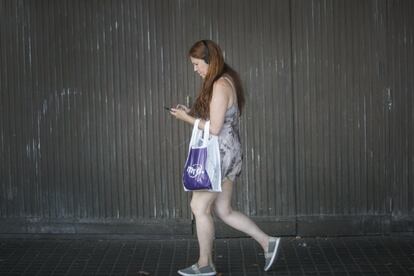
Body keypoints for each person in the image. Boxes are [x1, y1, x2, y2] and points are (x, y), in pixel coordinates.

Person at [169, 39, 280, 276]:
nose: (195, 69)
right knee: (223, 210)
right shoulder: (227, 80)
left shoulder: (220, 85)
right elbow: (217, 119)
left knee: (198, 206)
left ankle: (204, 264)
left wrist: (186, 119)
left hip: (219, 156)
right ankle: (267, 242)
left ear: (211, 61)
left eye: (197, 64)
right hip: (229, 153)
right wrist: (190, 112)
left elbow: (216, 128)